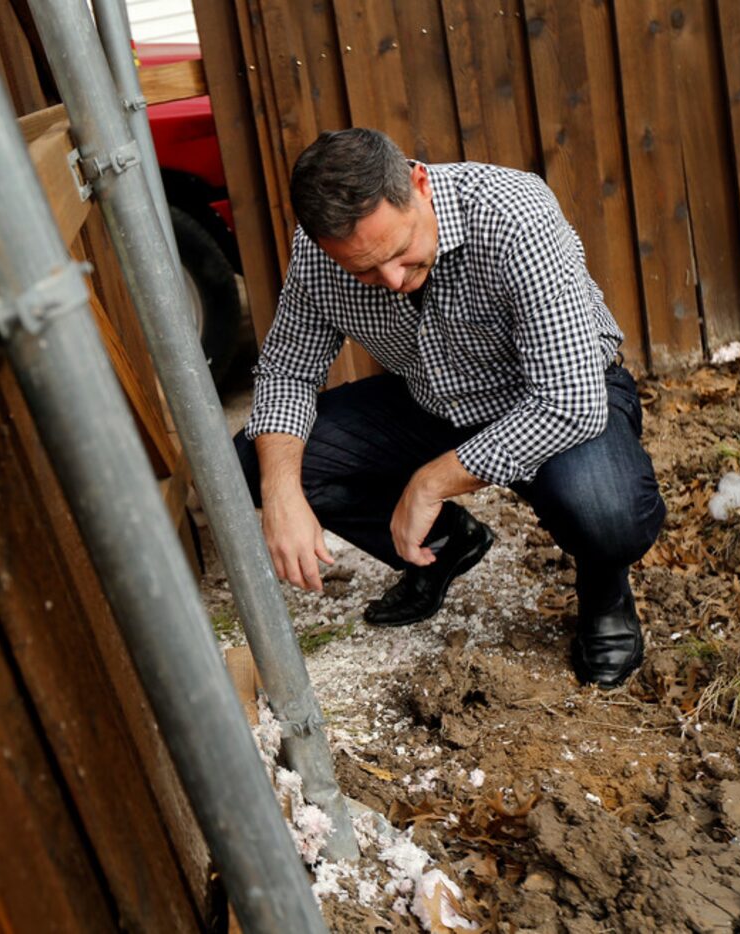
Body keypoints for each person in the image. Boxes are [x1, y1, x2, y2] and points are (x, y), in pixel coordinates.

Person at [235, 128, 666, 689]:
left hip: (549, 400)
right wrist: (281, 494)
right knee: (256, 462)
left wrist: (430, 482)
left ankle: (605, 594)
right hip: (432, 401)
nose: (389, 281)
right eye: (363, 271)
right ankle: (441, 547)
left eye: (397, 253)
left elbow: (570, 400)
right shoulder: (320, 255)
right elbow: (288, 371)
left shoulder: (514, 214)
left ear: (418, 185)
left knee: (605, 512)